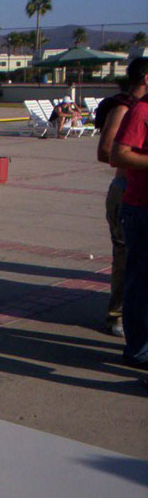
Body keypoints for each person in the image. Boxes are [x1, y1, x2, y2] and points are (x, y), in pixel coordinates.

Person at [96, 58, 148, 337]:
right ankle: (116, 315)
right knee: (125, 257)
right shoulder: (126, 108)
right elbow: (106, 151)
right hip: (126, 191)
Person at [110, 64, 148, 373]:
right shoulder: (140, 111)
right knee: (140, 283)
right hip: (141, 208)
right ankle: (139, 351)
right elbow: (117, 154)